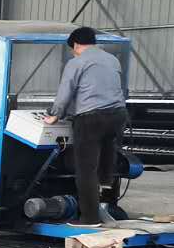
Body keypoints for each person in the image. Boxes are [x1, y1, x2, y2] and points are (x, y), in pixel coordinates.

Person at [42, 26, 128, 226]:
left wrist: (55, 115)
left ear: (76, 45)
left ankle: (89, 218)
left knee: (86, 169)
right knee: (107, 164)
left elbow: (66, 91)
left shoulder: (76, 62)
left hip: (91, 119)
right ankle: (108, 205)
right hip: (118, 115)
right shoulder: (113, 60)